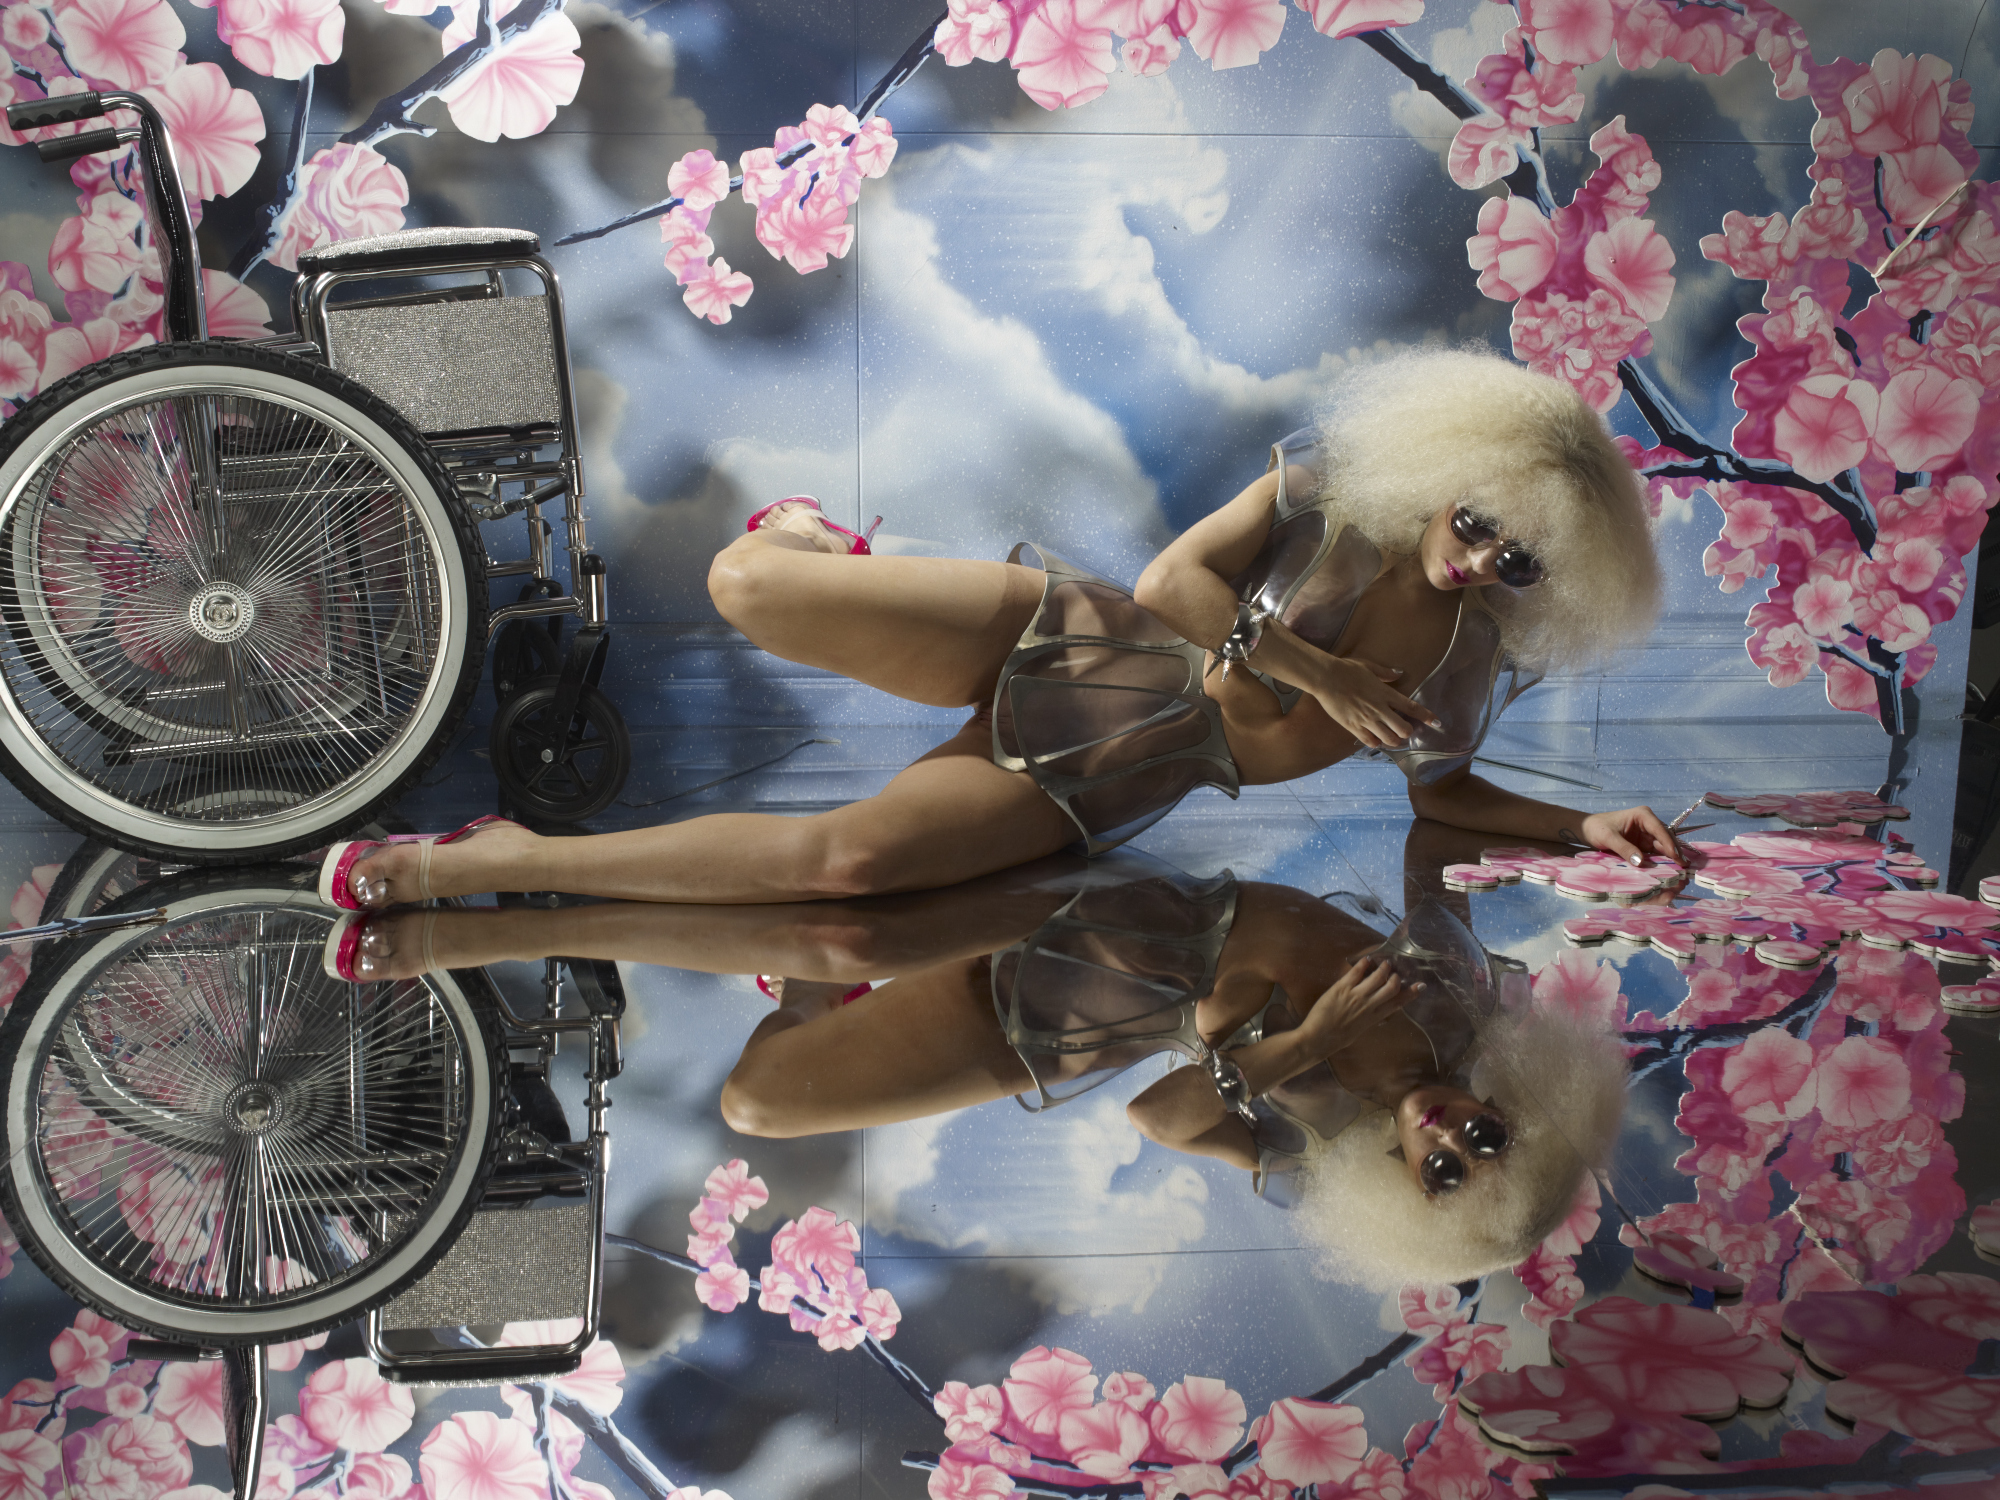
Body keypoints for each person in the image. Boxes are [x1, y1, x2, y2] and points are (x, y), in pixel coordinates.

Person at [321, 347, 1676, 913]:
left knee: (848, 871)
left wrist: (1581, 824)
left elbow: (1443, 799)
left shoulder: (1470, 665)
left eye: (1517, 561)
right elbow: (1173, 586)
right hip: (1088, 638)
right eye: (1478, 520)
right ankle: (810, 536)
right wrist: (1316, 669)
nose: (1479, 559)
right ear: (1449, 469)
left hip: (1129, 774)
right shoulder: (1334, 488)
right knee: (748, 586)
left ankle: (502, 864)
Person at [335, 847, 1627, 1286]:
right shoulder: (1452, 994)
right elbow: (1423, 840)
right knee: (818, 922)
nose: (1446, 1135)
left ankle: (810, 999)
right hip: (1112, 915)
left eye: (1442, 1173)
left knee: (760, 1100)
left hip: (1075, 1023)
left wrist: (1303, 1046)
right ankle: (472, 913)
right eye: (1487, 1139)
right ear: (1521, 1103)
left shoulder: (1330, 1141)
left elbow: (1166, 1115)